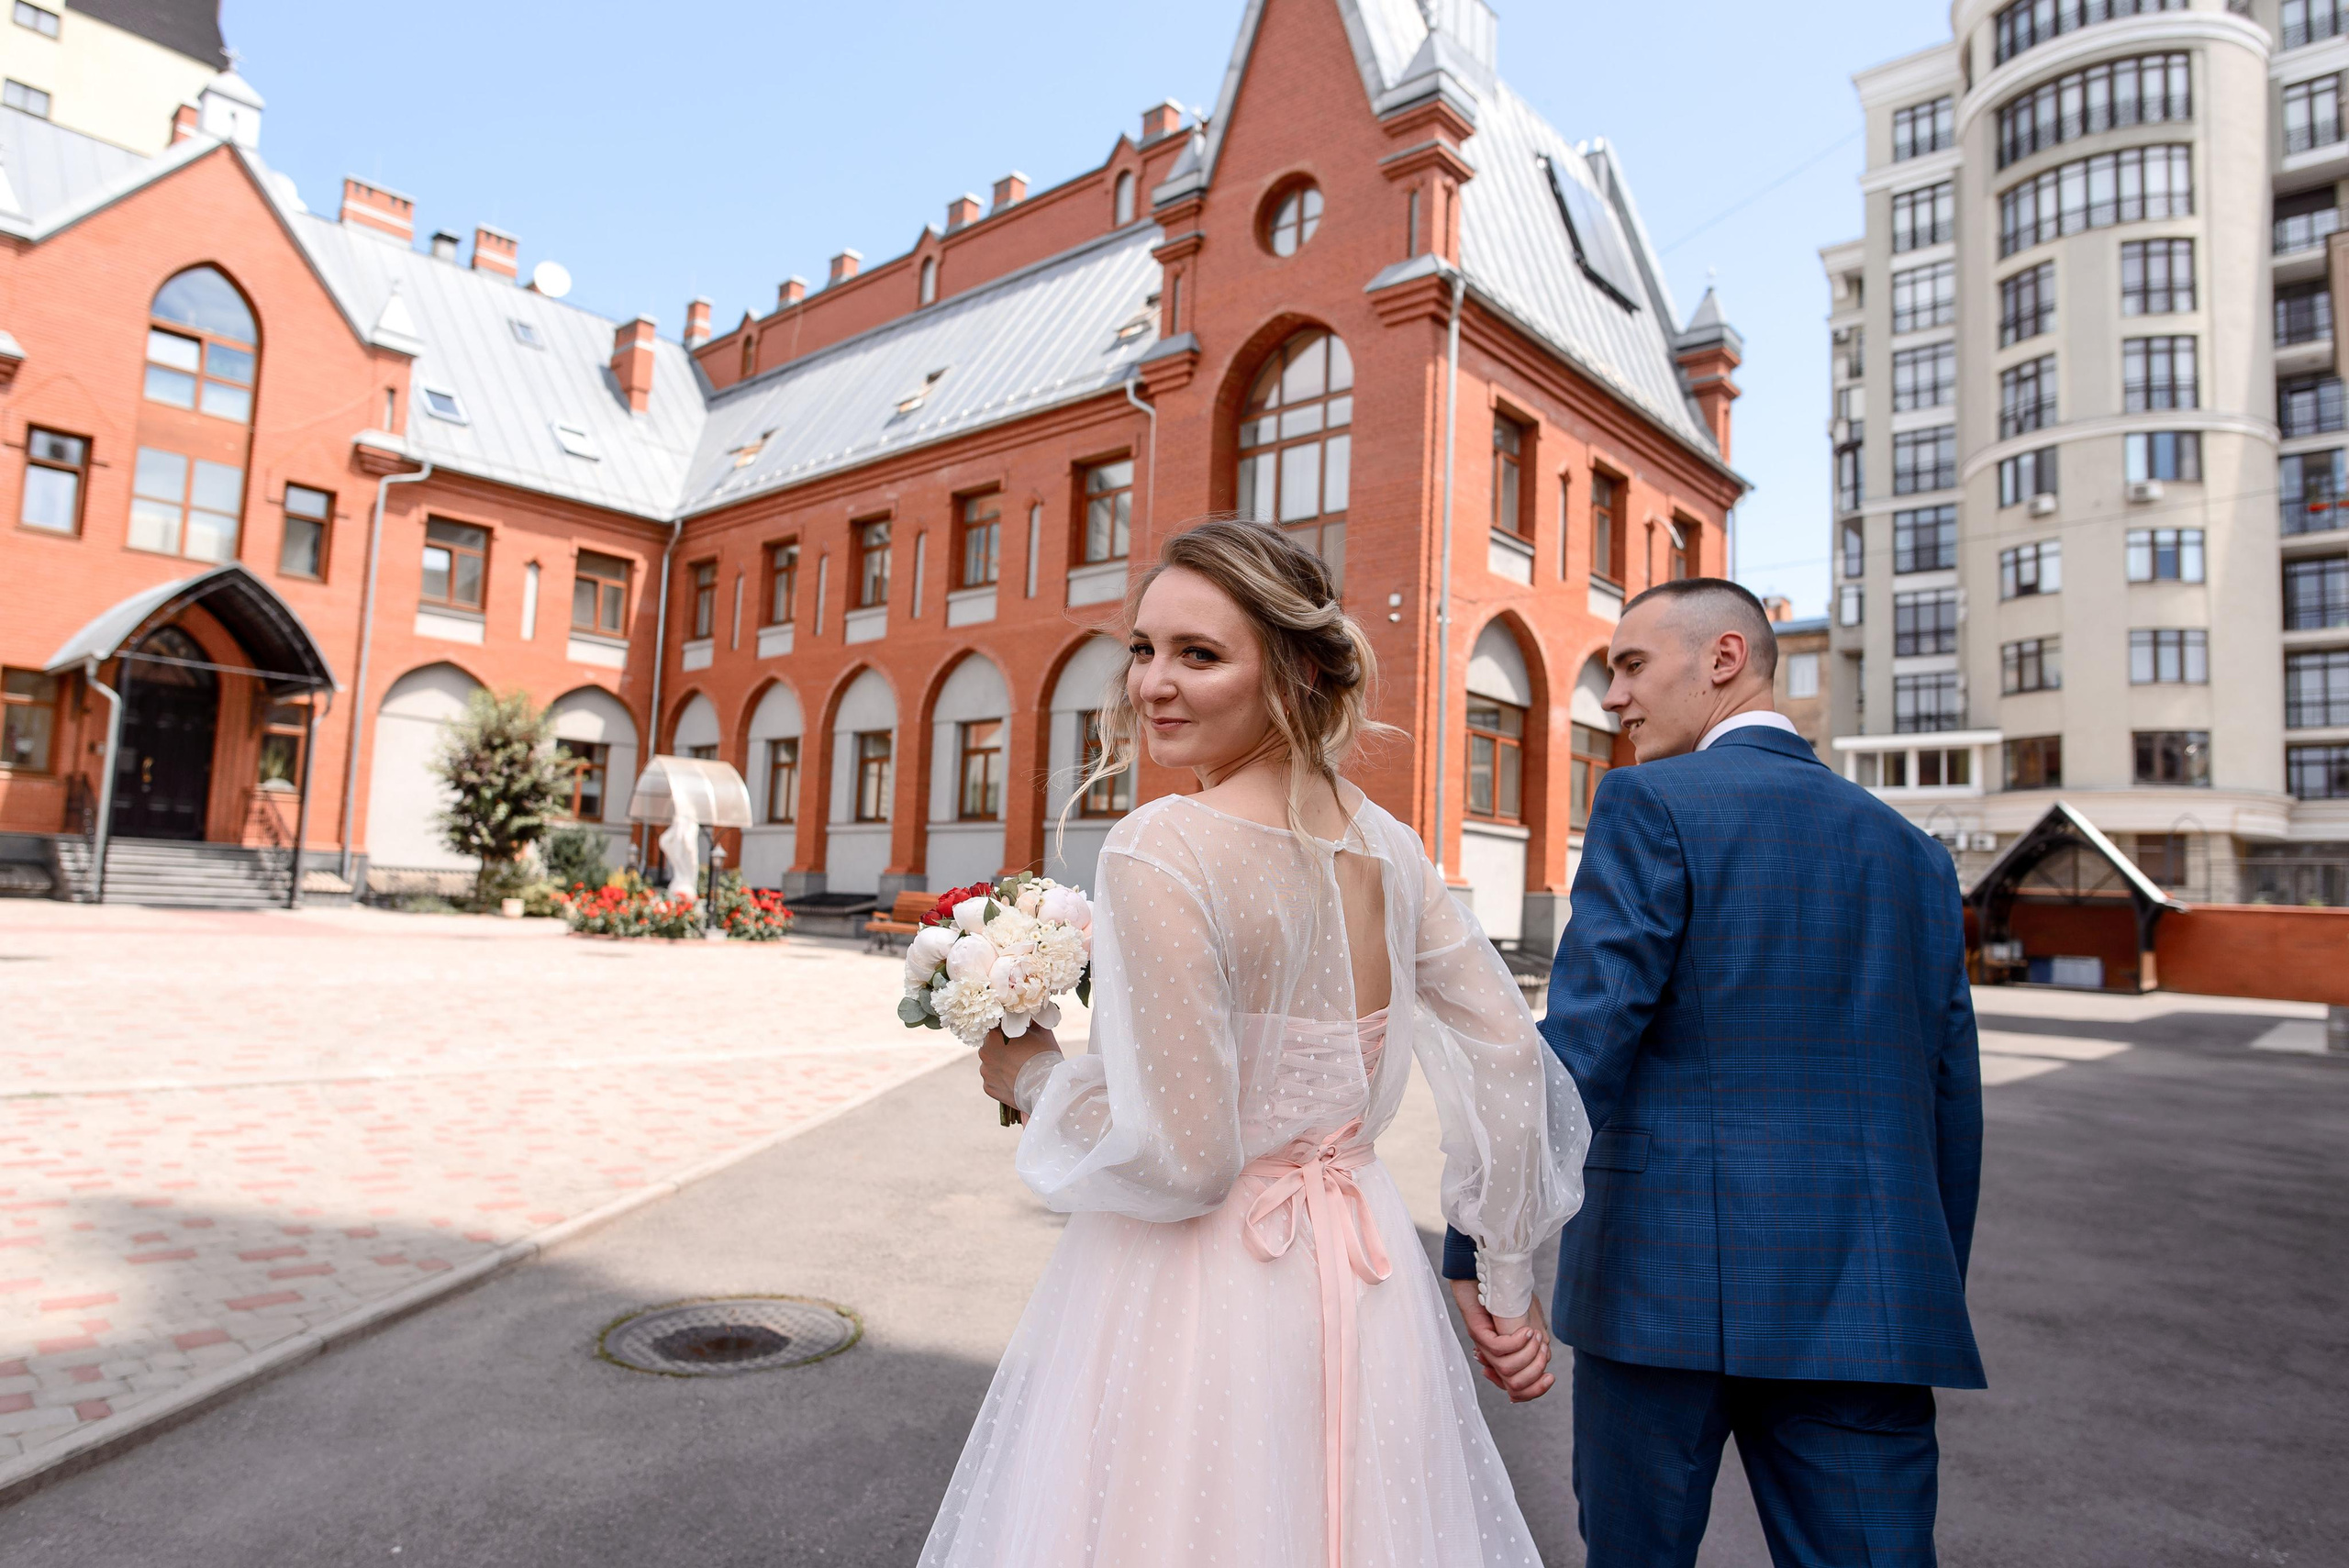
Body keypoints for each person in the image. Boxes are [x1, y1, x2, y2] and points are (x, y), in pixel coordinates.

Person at [918, 519, 1591, 1568]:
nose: (1152, 685)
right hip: (1369, 1280)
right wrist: (1500, 1276)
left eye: (1200, 653)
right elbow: (1509, 1052)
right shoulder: (1392, 845)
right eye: (1143, 648)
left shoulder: (1163, 846)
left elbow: (1184, 1161)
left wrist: (1034, 1073)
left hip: (1202, 1290)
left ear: (1297, 669)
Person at [1442, 577, 1984, 1568]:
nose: (1613, 697)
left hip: (1663, 1290)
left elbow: (1583, 1050)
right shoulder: (1915, 855)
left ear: (1724, 658)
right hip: (1871, 1302)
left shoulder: (1652, 801)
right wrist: (1915, 1278)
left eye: (1633, 666)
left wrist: (1485, 1242)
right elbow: (1949, 1097)